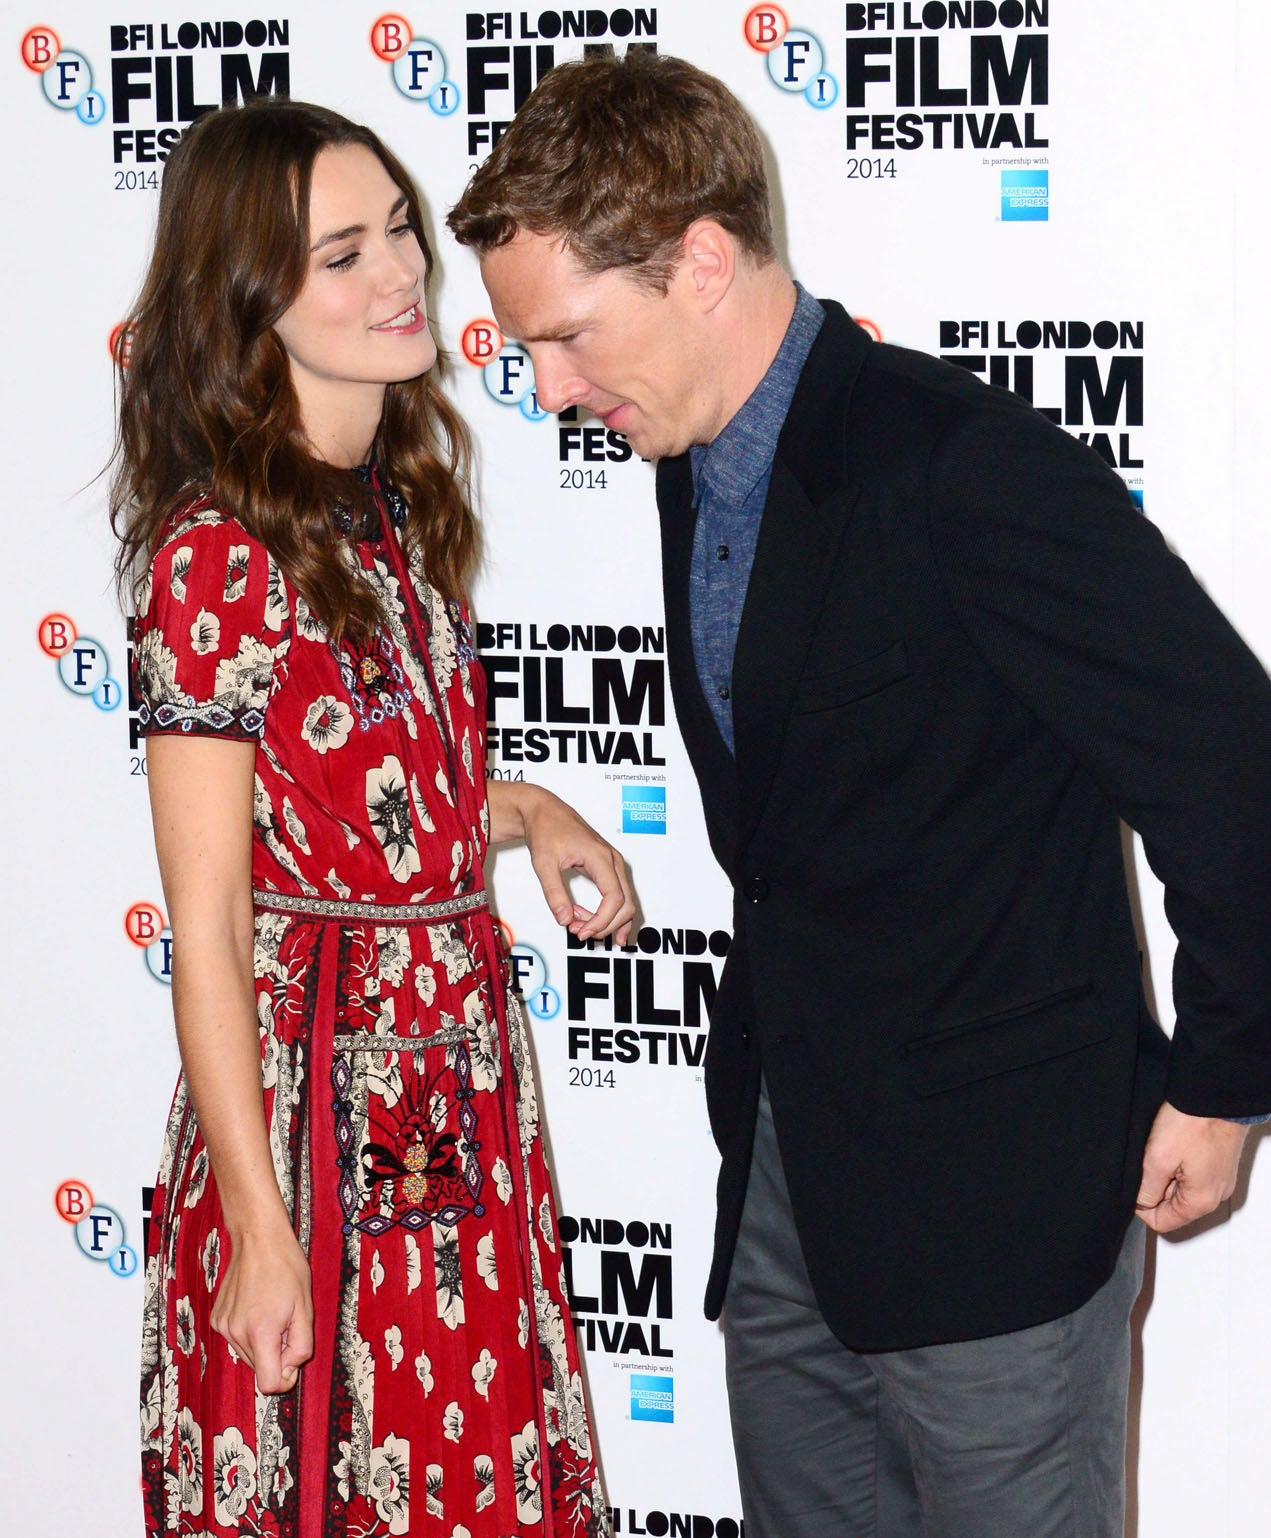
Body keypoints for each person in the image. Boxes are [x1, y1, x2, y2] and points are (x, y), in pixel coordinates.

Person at [447, 52, 1271, 1538]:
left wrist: (1222, 1078)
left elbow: (1230, 759)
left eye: (566, 338)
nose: (551, 389)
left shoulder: (964, 468)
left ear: (701, 259)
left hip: (1000, 1206)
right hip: (785, 1188)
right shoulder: (690, 463)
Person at [112, 97, 628, 1538]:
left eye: (397, 229)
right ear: (251, 298)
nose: (401, 272)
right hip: (314, 1112)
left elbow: (368, 793)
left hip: (456, 1081)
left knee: (464, 1471)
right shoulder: (211, 555)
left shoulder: (399, 504)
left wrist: (527, 813)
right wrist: (261, 1229)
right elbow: (211, 918)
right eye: (342, 255)